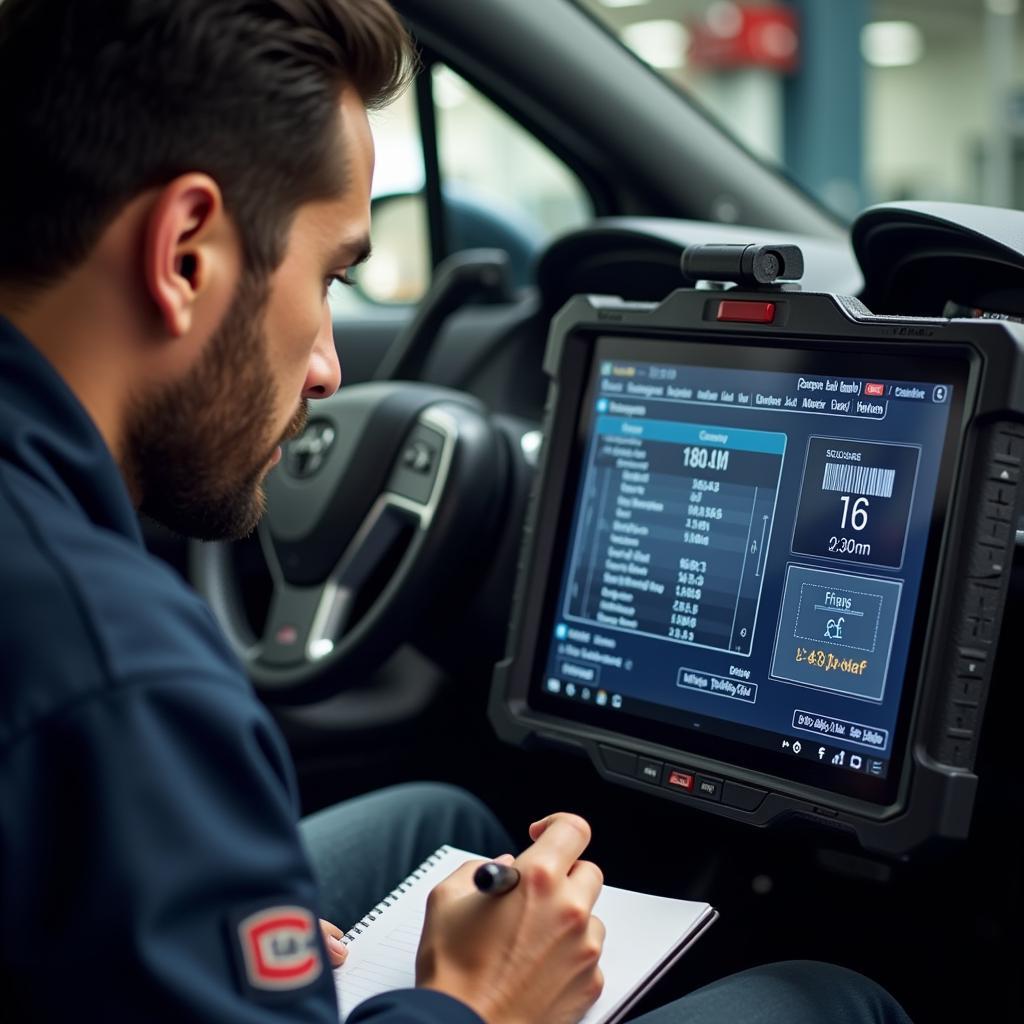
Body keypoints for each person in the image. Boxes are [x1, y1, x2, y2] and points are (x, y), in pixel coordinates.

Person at [0, 1, 912, 1022]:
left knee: (440, 822)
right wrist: (481, 1002)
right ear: (184, 253)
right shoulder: (119, 677)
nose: (329, 369)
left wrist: (227, 950)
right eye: (333, 273)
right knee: (828, 995)